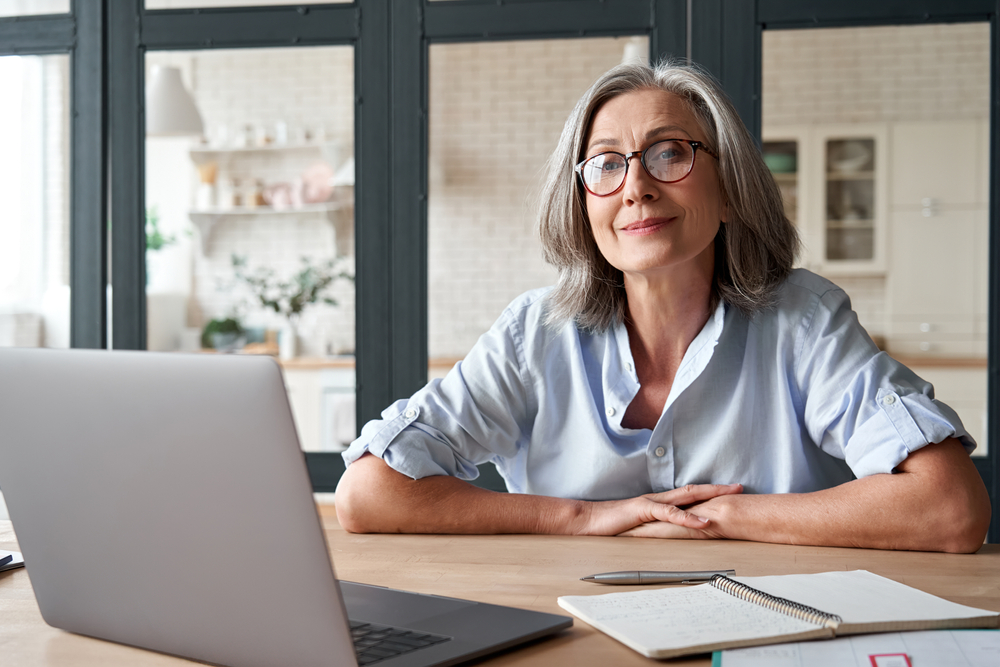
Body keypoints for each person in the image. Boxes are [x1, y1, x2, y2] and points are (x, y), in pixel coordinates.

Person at [335, 60, 991, 553]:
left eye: (669, 153)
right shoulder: (534, 333)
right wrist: (587, 518)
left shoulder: (805, 319)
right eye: (605, 164)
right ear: (583, 205)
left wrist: (719, 516)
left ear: (728, 189)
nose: (636, 187)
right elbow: (368, 493)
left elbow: (951, 508)